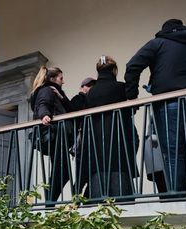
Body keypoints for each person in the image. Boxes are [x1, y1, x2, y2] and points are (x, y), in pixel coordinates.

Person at [125, 18, 186, 196]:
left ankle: (178, 199)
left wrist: (131, 97)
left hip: (168, 103)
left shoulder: (158, 44)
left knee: (173, 153)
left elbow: (132, 66)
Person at [84, 55, 139, 201]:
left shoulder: (91, 93)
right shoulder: (120, 88)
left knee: (98, 204)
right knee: (123, 204)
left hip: (97, 152)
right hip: (119, 148)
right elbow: (129, 111)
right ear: (114, 70)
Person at [29, 66, 74, 205]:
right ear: (52, 79)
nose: (63, 82)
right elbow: (43, 104)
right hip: (56, 136)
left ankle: (49, 203)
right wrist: (44, 115)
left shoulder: (55, 92)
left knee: (60, 171)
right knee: (62, 172)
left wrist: (61, 97)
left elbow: (71, 109)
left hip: (59, 137)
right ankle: (49, 203)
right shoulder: (47, 90)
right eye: (61, 78)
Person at [70, 77, 96, 197]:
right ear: (82, 87)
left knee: (90, 175)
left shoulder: (90, 99)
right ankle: (75, 202)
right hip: (82, 143)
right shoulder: (78, 99)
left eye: (92, 85)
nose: (90, 88)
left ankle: (83, 200)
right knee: (82, 175)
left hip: (88, 142)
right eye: (88, 85)